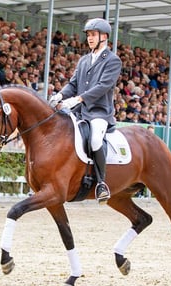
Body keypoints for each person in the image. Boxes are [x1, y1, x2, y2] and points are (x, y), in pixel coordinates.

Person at [48, 18, 122, 203]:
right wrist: (60, 95)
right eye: (88, 35)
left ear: (104, 37)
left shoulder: (113, 60)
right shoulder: (84, 60)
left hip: (99, 112)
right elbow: (73, 84)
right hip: (80, 112)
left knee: (96, 140)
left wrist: (78, 99)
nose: (90, 38)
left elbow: (103, 86)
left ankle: (101, 184)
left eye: (93, 35)